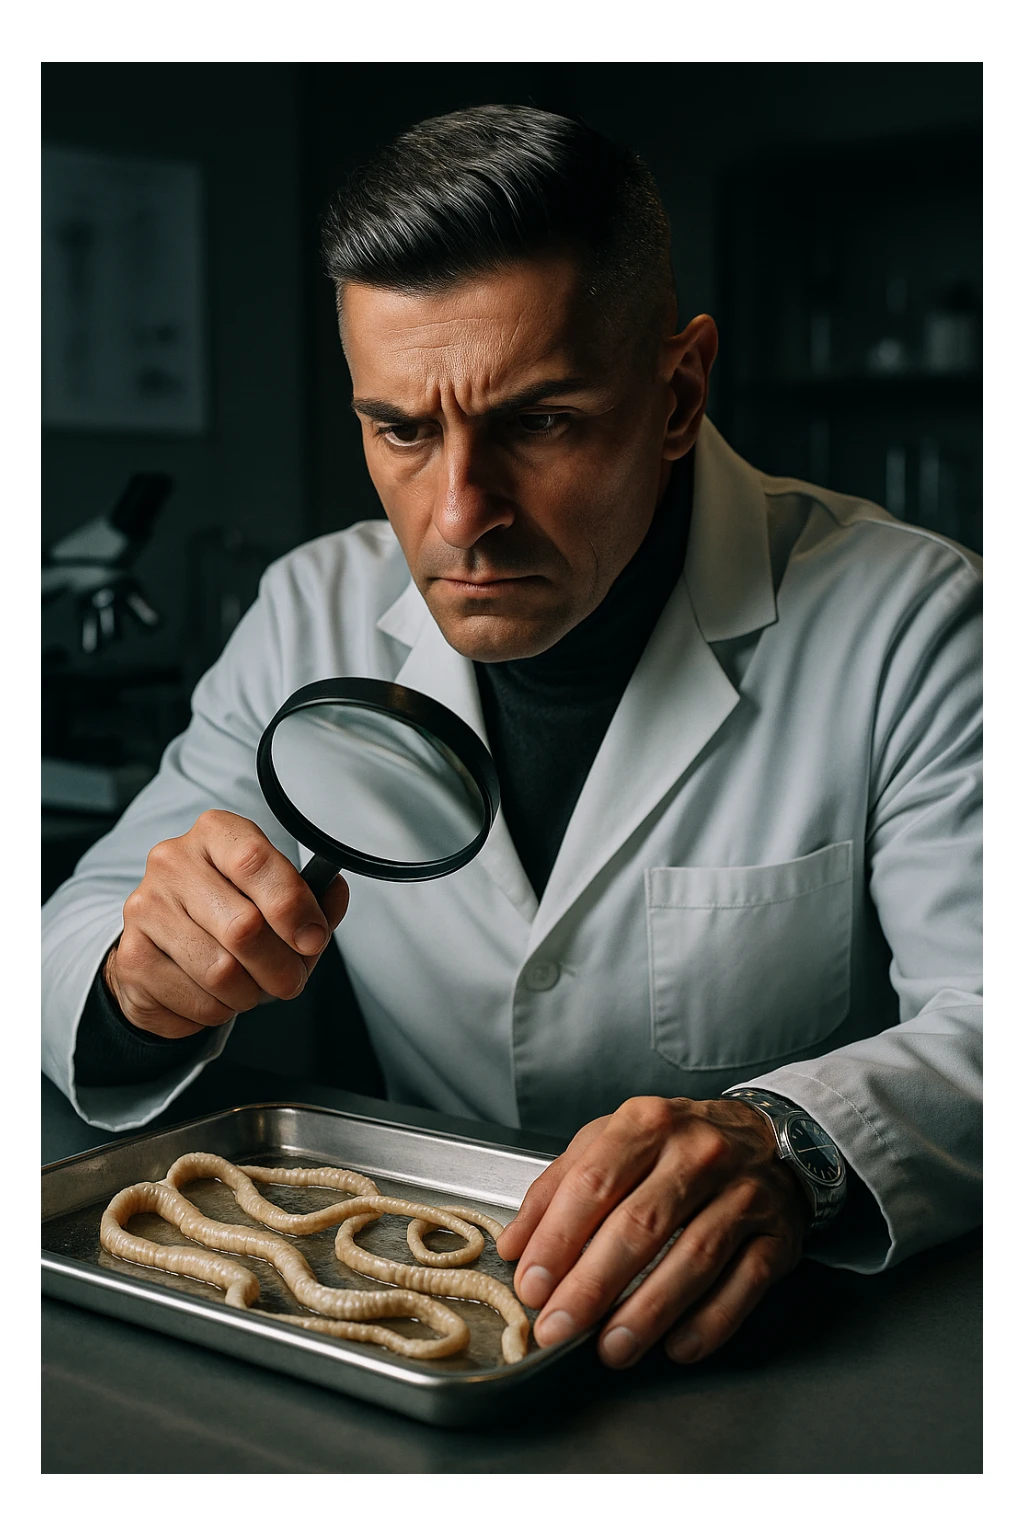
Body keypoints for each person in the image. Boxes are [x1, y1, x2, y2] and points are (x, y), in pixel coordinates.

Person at [42, 105, 981, 1374]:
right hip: (417, 1318)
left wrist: (793, 1142)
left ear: (678, 390)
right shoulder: (312, 611)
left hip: (776, 1345)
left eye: (538, 423)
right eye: (402, 430)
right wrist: (134, 980)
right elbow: (83, 918)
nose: (458, 518)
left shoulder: (915, 621)